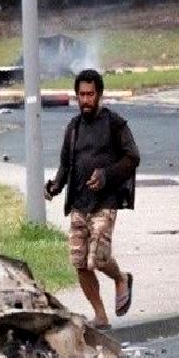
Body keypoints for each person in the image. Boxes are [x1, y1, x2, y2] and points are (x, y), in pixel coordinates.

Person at [45, 70, 138, 330]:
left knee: (98, 257)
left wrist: (107, 175)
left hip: (105, 202)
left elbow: (133, 157)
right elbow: (66, 164)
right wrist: (54, 186)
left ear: (99, 95)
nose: (85, 100)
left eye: (90, 94)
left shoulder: (115, 124)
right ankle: (101, 315)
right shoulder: (73, 128)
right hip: (78, 203)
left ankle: (121, 279)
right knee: (79, 262)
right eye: (81, 95)